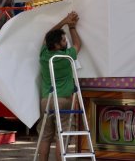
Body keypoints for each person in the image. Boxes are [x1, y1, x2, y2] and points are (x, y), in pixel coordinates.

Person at [37, 11, 81, 161]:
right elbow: (77, 44)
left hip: (46, 100)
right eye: (63, 40)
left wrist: (64, 21)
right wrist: (72, 26)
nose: (65, 41)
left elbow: (47, 35)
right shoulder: (67, 56)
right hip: (64, 100)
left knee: (45, 136)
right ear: (56, 45)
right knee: (61, 137)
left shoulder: (44, 55)